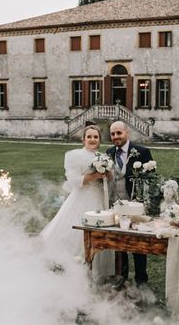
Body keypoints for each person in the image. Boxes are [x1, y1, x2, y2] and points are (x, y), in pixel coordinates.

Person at [40, 124, 114, 278]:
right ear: (83, 140)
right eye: (89, 137)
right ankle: (71, 267)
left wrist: (107, 175)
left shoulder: (103, 158)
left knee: (99, 233)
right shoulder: (75, 156)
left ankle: (96, 270)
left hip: (99, 199)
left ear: (100, 140)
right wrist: (95, 175)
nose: (92, 139)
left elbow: (108, 181)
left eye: (96, 137)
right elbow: (74, 181)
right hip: (82, 198)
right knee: (76, 233)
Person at [106, 121, 154, 292]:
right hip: (116, 205)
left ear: (127, 133)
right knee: (120, 242)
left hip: (136, 206)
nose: (116, 137)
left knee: (138, 243)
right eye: (112, 134)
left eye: (119, 133)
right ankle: (122, 276)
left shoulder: (142, 152)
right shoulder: (109, 152)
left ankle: (141, 279)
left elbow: (151, 179)